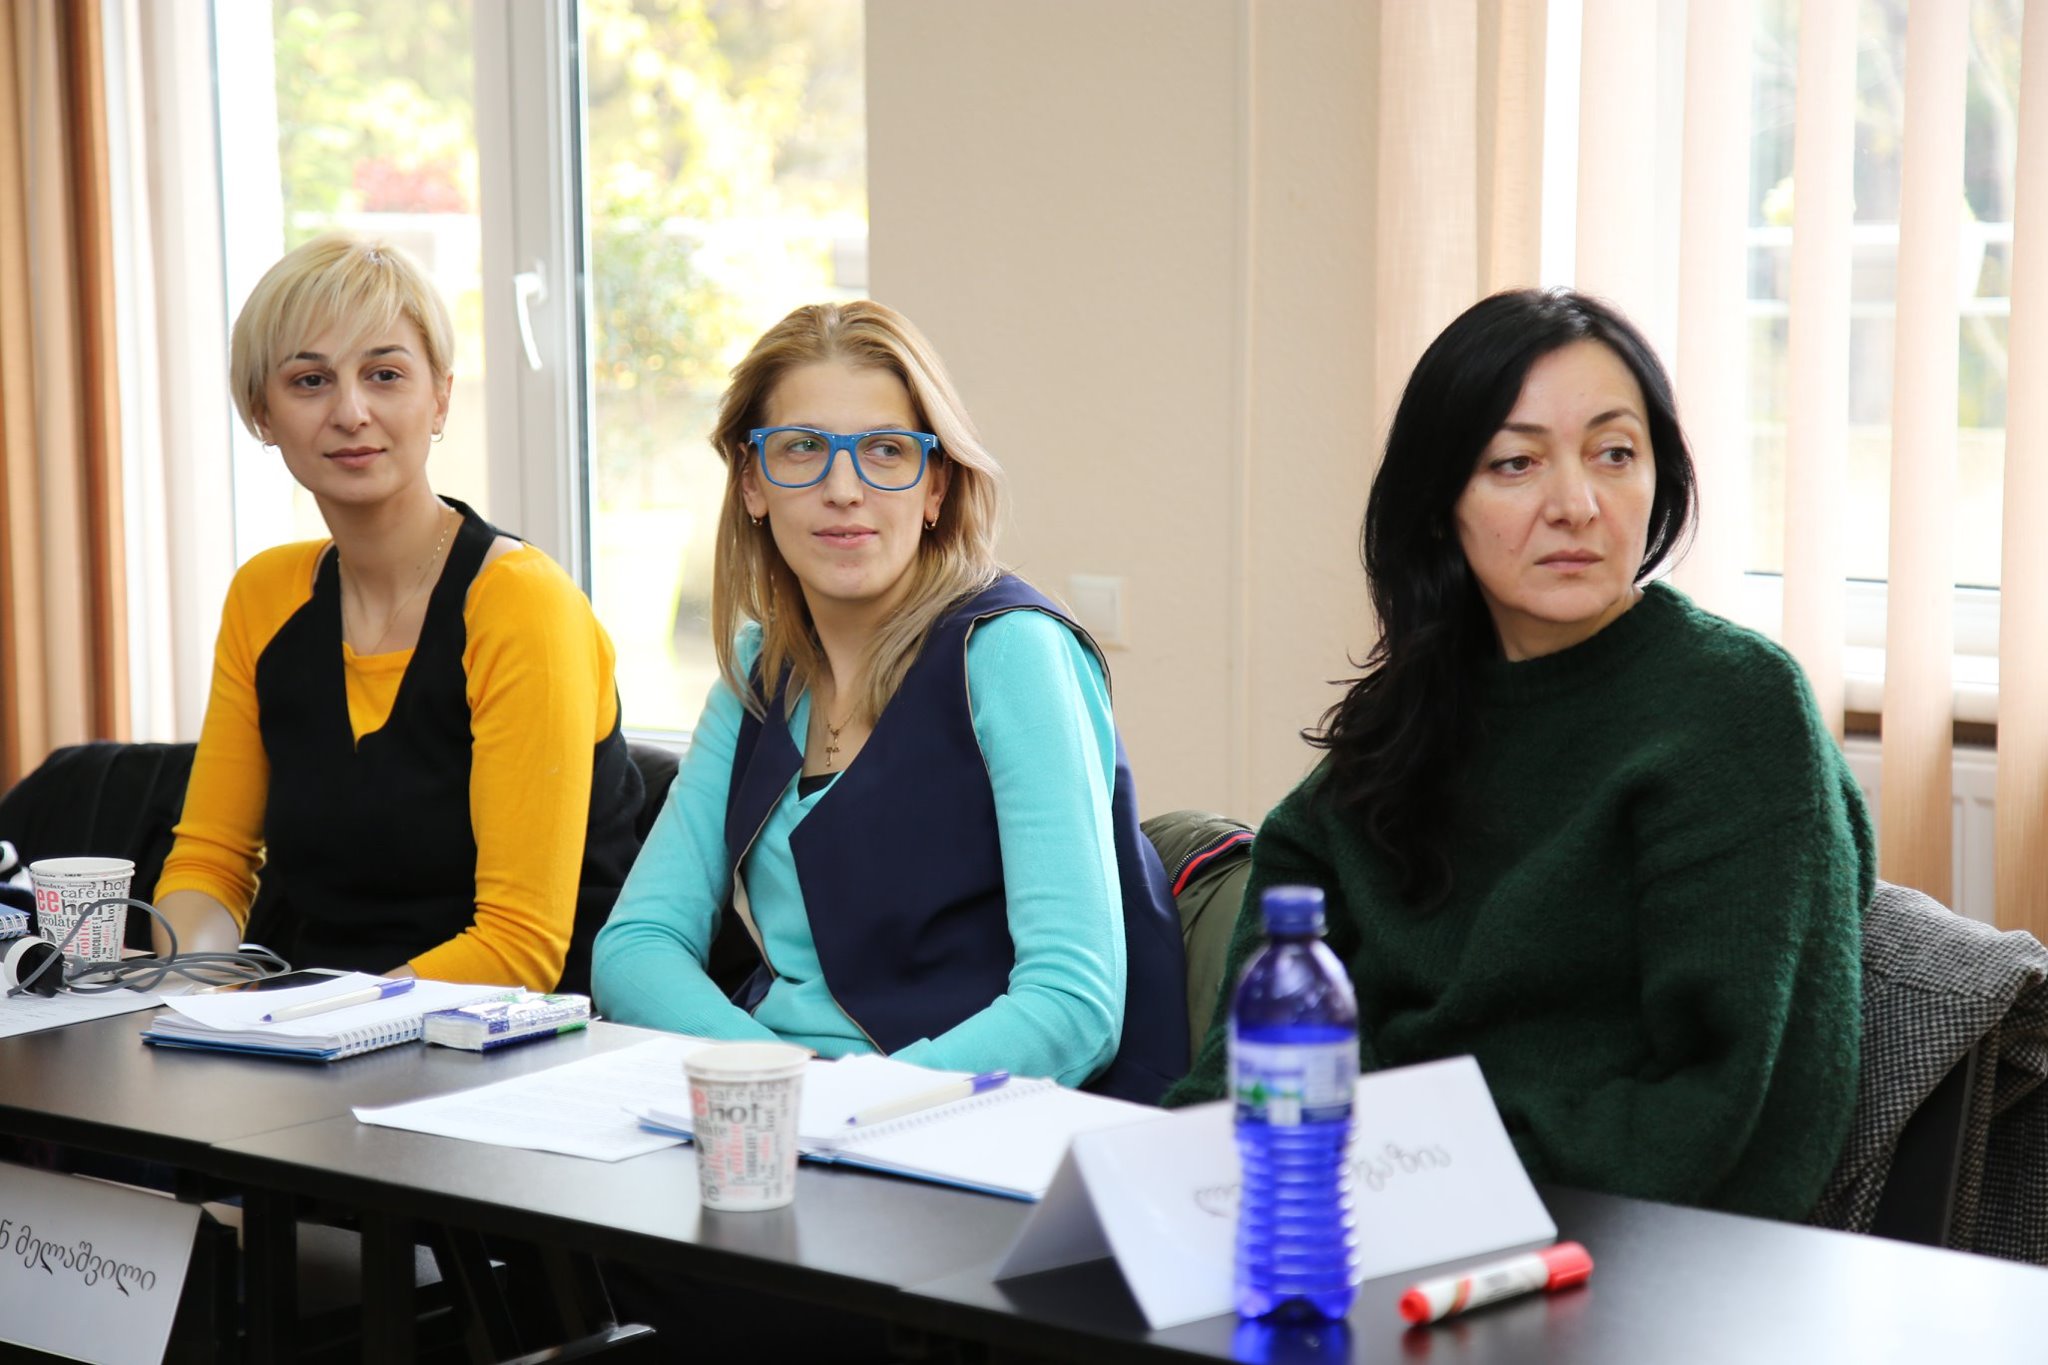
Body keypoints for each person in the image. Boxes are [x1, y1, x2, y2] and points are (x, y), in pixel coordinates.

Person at [1166, 289, 1874, 1223]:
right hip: (1354, 1213)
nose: (1576, 505)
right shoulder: (1404, 719)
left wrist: (1415, 1174)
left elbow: (1733, 1114)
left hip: (1612, 1240)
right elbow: (1247, 1062)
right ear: (1440, 504)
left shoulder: (1734, 710)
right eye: (1516, 462)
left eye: (1615, 454)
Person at [593, 300, 1186, 1104]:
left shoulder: (1012, 652)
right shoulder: (759, 669)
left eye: (885, 450)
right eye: (802, 447)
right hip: (779, 1111)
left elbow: (1072, 1007)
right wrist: (777, 1082)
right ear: (753, 481)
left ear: (936, 485)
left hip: (969, 1122)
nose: (844, 489)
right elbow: (636, 943)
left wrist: (853, 1105)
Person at [152, 234, 640, 993]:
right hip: (312, 1031)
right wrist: (190, 987)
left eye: (385, 374)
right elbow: (210, 863)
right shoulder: (265, 594)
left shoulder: (523, 603)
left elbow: (520, 948)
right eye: (310, 380)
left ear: (439, 397)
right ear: (262, 413)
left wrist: (305, 1016)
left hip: (519, 1037)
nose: (351, 412)